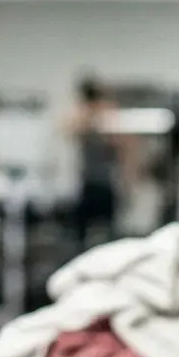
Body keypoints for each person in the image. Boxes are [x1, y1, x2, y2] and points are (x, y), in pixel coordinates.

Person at [64, 76, 121, 247]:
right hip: (87, 180)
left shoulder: (109, 114)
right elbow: (69, 129)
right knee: (80, 232)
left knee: (109, 229)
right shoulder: (82, 116)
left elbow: (119, 142)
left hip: (106, 180)